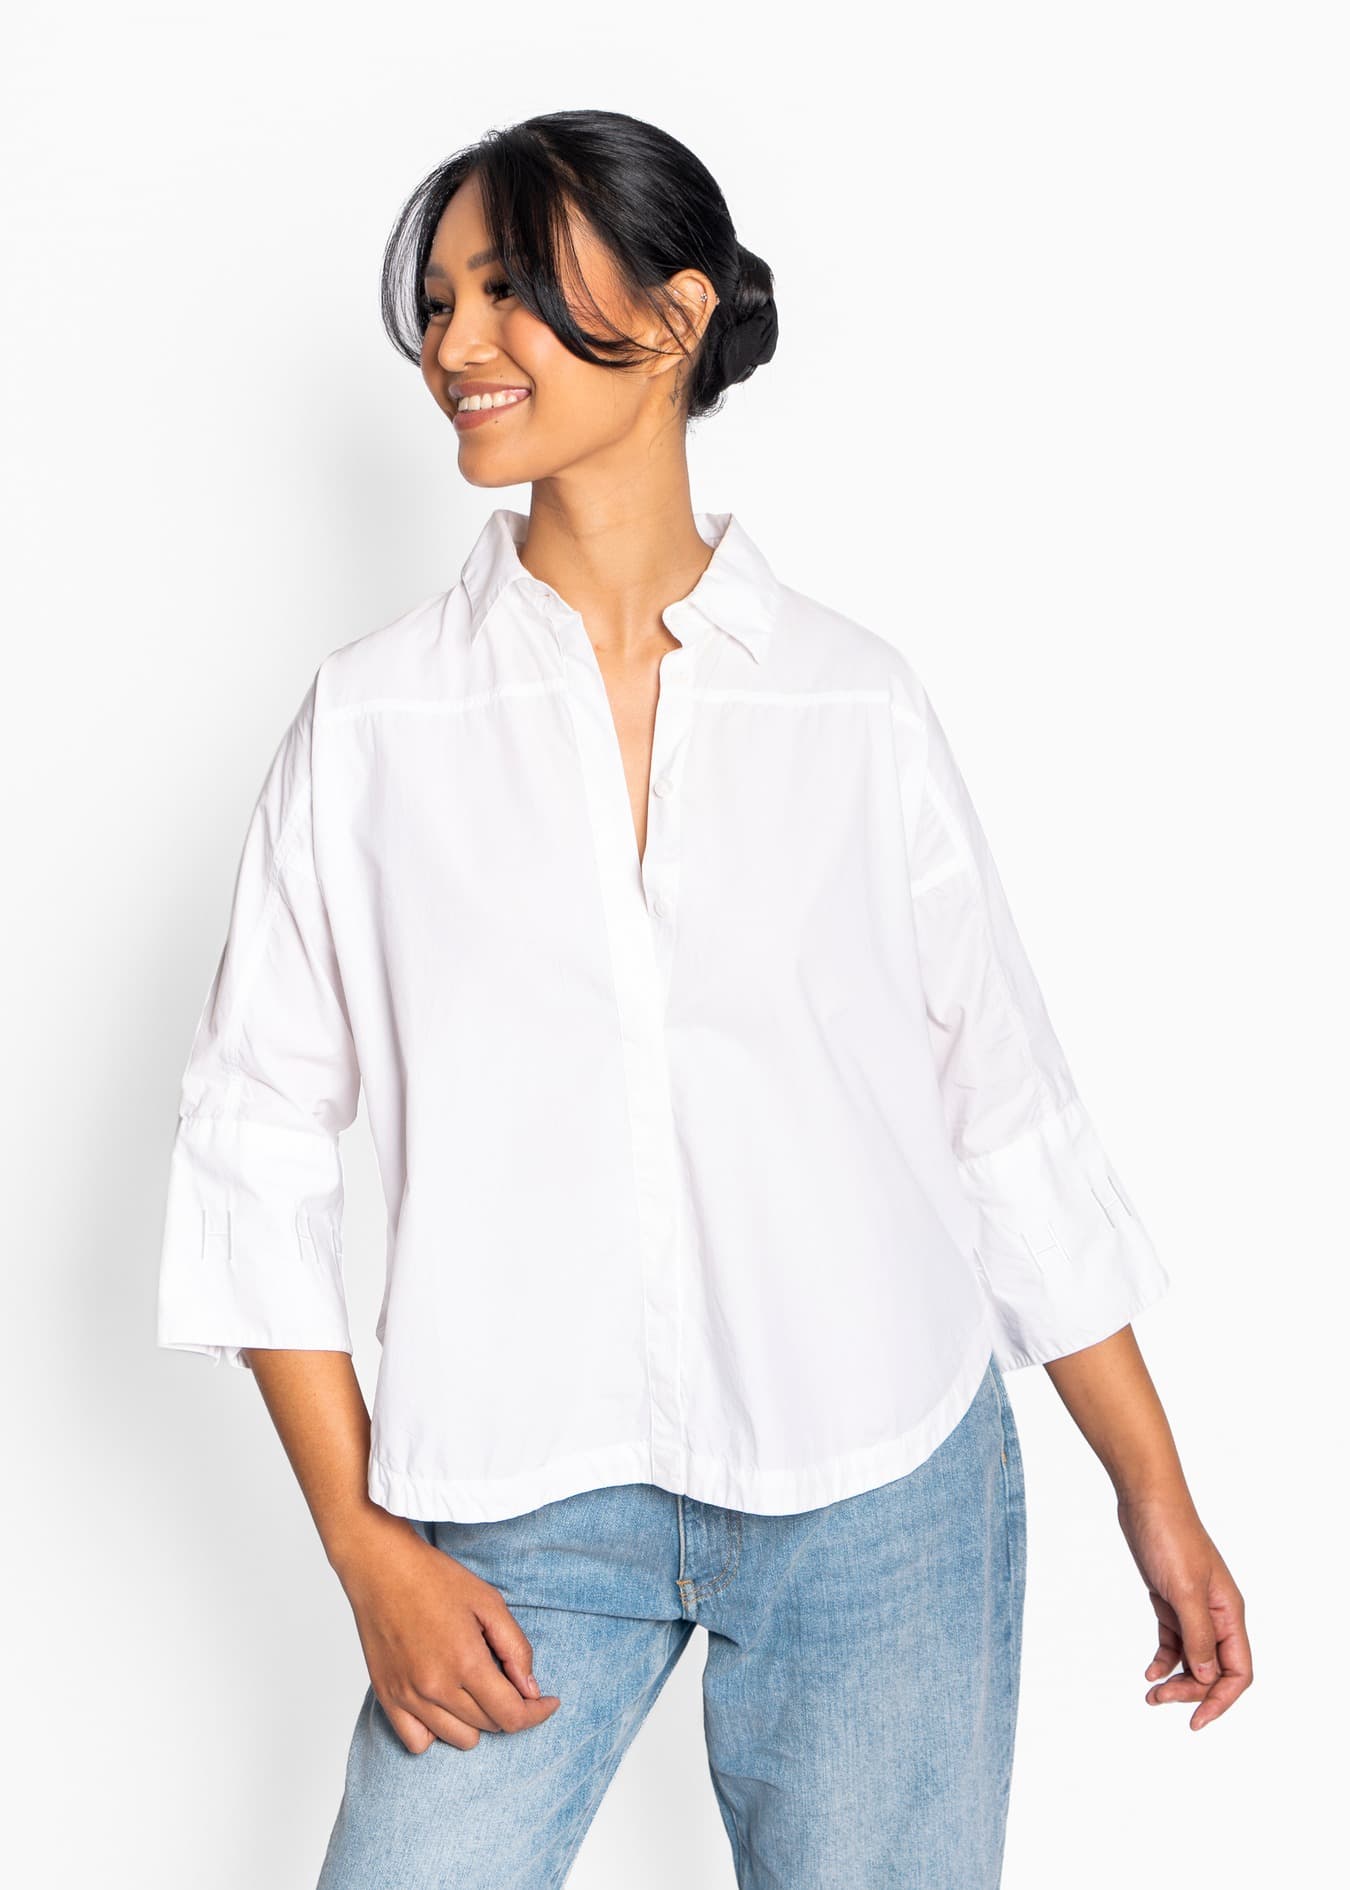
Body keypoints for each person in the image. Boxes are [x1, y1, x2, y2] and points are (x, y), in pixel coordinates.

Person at [156, 109, 1252, 1888]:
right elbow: (255, 1143)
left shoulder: (851, 703)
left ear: (672, 319)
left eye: (508, 288)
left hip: (879, 1484)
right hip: (520, 1496)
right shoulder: (373, 724)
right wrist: (363, 1544)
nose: (454, 343)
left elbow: (1002, 1114)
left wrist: (1154, 1488)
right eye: (438, 302)